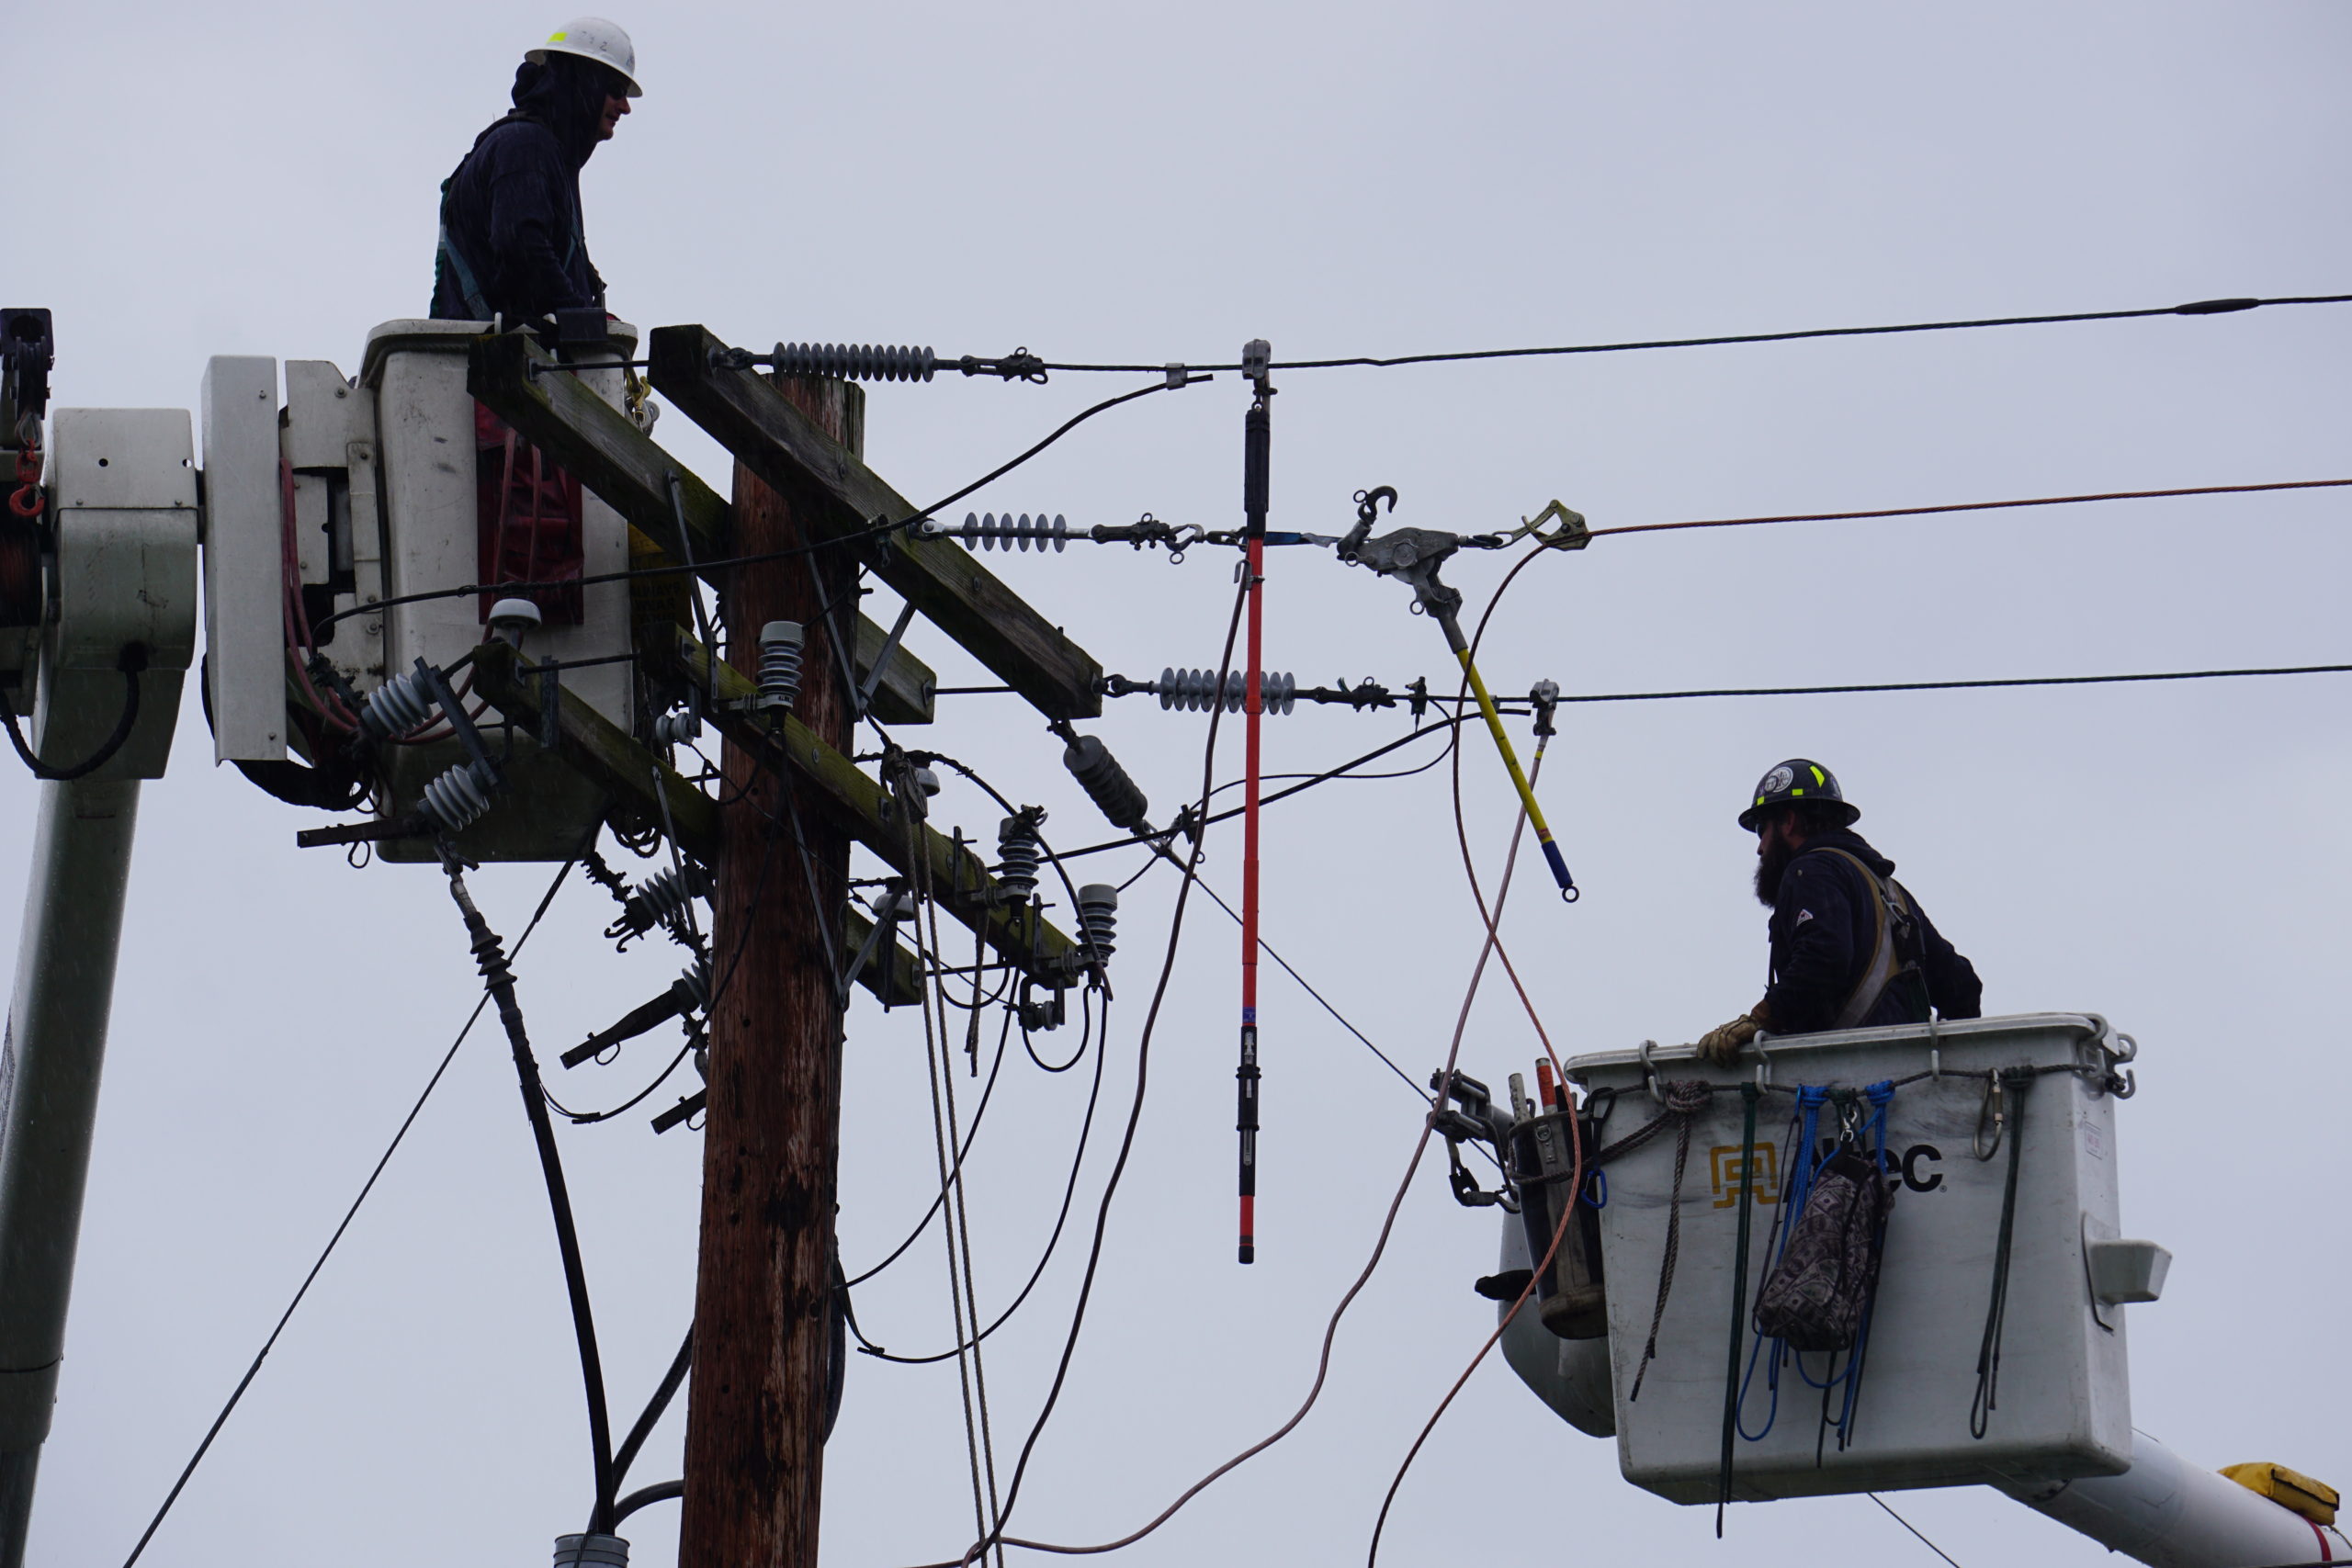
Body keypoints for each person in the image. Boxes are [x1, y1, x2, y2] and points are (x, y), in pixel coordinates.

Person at [1692, 759, 1982, 1066]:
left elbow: (1823, 957)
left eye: (1763, 830)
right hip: (1910, 1088)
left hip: (1846, 1088)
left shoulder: (1811, 870)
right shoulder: (1892, 894)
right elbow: (1961, 985)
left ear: (1788, 822)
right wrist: (1946, 1067)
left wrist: (1761, 1018)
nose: (1760, 848)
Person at [431, 17, 642, 325]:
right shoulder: (525, 146)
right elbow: (522, 247)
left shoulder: (546, 156)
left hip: (509, 358)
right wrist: (582, 319)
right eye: (615, 90)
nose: (625, 107)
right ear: (583, 82)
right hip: (494, 363)